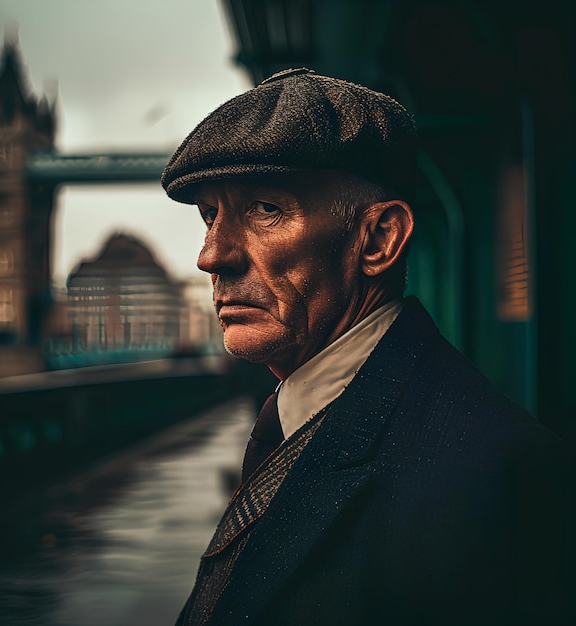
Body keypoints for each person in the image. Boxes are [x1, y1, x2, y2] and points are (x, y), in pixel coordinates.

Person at [161, 68, 572, 626]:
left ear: (378, 240)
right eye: (211, 216)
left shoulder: (501, 481)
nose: (212, 255)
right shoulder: (307, 418)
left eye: (266, 210)